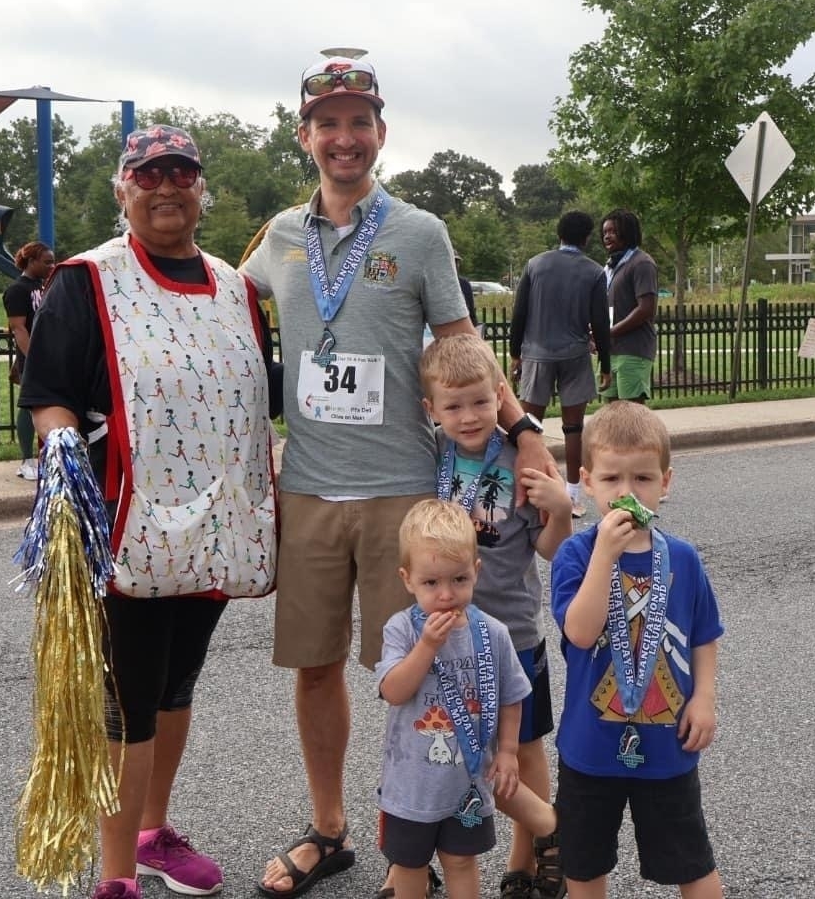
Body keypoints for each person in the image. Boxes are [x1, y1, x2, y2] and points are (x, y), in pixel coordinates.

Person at [241, 52, 554, 897]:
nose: (345, 138)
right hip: (309, 484)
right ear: (304, 135)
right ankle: (330, 829)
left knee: (427, 674)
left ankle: (405, 847)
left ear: (381, 133)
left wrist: (523, 432)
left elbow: (462, 349)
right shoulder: (277, 236)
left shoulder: (419, 233)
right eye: (329, 123)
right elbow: (222, 309)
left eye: (360, 122)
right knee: (314, 667)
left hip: (402, 494)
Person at [19, 125, 278, 899]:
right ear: (121, 190)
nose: (166, 186)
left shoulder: (235, 287)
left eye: (181, 173)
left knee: (175, 685)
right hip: (121, 520)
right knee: (126, 699)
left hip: (212, 527)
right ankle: (116, 875)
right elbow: (48, 393)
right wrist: (61, 458)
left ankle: (151, 830)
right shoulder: (86, 280)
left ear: (203, 190)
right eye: (148, 174)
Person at [551, 402, 725, 899]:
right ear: (587, 481)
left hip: (667, 746)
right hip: (590, 747)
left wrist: (704, 698)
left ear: (665, 483)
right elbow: (580, 633)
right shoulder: (576, 555)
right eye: (611, 479)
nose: (627, 493)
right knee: (583, 868)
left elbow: (705, 634)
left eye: (643, 478)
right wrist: (605, 555)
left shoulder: (684, 559)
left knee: (692, 862)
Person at [420, 336, 570, 899]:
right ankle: (415, 859)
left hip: (512, 635)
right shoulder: (428, 453)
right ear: (431, 409)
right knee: (435, 743)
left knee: (523, 747)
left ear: (500, 396)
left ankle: (527, 853)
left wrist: (559, 513)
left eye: (481, 402)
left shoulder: (522, 460)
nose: (469, 416)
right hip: (442, 637)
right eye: (453, 406)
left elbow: (551, 550)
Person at [376, 499, 558, 899]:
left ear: (476, 571)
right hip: (411, 787)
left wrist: (509, 751)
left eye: (459, 580)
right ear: (407, 580)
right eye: (431, 583)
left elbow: (513, 694)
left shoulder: (492, 632)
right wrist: (426, 646)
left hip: (469, 781)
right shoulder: (401, 630)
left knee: (461, 862)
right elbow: (393, 691)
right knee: (410, 869)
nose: (446, 594)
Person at [509, 210, 612, 512]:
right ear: (587, 237)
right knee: (573, 427)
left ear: (559, 234)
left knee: (528, 426)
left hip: (537, 354)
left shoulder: (535, 265)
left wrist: (516, 354)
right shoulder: (594, 272)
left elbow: (520, 314)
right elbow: (600, 324)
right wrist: (605, 364)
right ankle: (574, 496)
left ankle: (527, 489)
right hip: (576, 354)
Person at [2, 240, 55, 480]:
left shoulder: (48, 286)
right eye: (46, 262)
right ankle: (27, 460)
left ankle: (51, 458)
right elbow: (18, 328)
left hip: (53, 353)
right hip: (32, 356)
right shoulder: (17, 290)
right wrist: (34, 357)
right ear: (31, 261)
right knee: (29, 404)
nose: (51, 266)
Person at [601, 209, 659, 402]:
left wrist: (610, 332)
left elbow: (646, 309)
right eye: (605, 232)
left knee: (631, 416)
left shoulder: (642, 263)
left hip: (633, 351)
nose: (607, 237)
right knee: (611, 415)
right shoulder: (610, 267)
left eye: (612, 232)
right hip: (610, 352)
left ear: (628, 232)